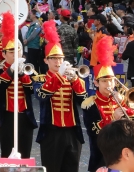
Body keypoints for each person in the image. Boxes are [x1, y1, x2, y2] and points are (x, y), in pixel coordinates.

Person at [36, 20, 87, 172]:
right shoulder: (40, 79)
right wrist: (58, 76)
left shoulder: (72, 78)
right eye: (54, 58)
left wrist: (76, 80)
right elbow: (41, 96)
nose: (58, 62)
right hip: (51, 132)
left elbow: (84, 101)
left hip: (72, 131)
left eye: (61, 58)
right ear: (46, 60)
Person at [81, 36, 134, 171]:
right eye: (105, 81)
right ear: (96, 83)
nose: (109, 84)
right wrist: (113, 118)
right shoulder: (90, 104)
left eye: (112, 80)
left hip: (123, 156)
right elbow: (93, 131)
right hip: (101, 157)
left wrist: (126, 107)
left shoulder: (121, 99)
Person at [0, 12, 37, 158]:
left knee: (25, 155)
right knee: (7, 154)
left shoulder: (28, 69)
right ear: (4, 54)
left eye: (17, 51)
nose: (15, 54)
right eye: (11, 52)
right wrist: (11, 71)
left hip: (25, 116)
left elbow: (31, 90)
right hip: (8, 117)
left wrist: (22, 73)